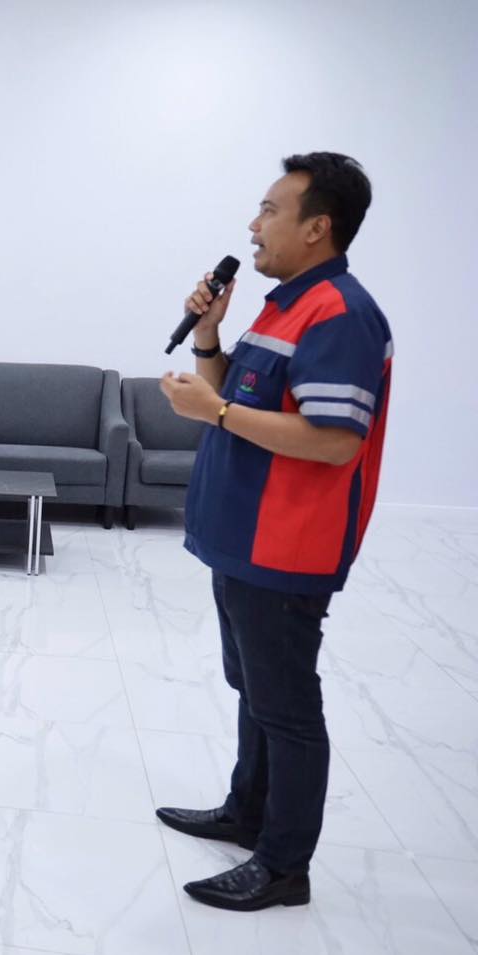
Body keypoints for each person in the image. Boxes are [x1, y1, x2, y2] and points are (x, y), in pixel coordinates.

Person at [156, 153, 392, 911]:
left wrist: (217, 412)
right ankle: (247, 810)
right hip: (241, 540)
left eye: (268, 210)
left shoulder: (341, 314)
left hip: (285, 546)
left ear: (317, 227)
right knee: (252, 688)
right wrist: (209, 339)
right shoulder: (283, 306)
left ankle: (285, 865)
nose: (253, 226)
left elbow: (335, 440)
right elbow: (238, 399)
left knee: (286, 707)